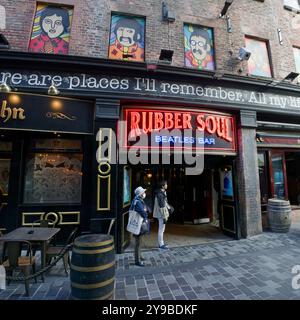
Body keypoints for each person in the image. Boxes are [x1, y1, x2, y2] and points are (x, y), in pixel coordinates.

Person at [130, 186, 149, 267]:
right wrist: (145, 216)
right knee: (138, 243)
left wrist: (145, 211)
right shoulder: (138, 201)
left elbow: (145, 209)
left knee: (139, 241)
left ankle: (139, 256)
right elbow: (142, 211)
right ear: (140, 194)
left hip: (138, 223)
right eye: (143, 192)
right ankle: (137, 261)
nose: (144, 193)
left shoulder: (138, 200)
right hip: (138, 224)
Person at [153, 180, 170, 250]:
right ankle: (161, 244)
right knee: (161, 229)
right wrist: (164, 216)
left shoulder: (162, 193)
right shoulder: (160, 194)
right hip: (161, 214)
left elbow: (164, 203)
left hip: (161, 213)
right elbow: (162, 206)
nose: (167, 185)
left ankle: (161, 243)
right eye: (166, 184)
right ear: (163, 186)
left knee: (162, 229)